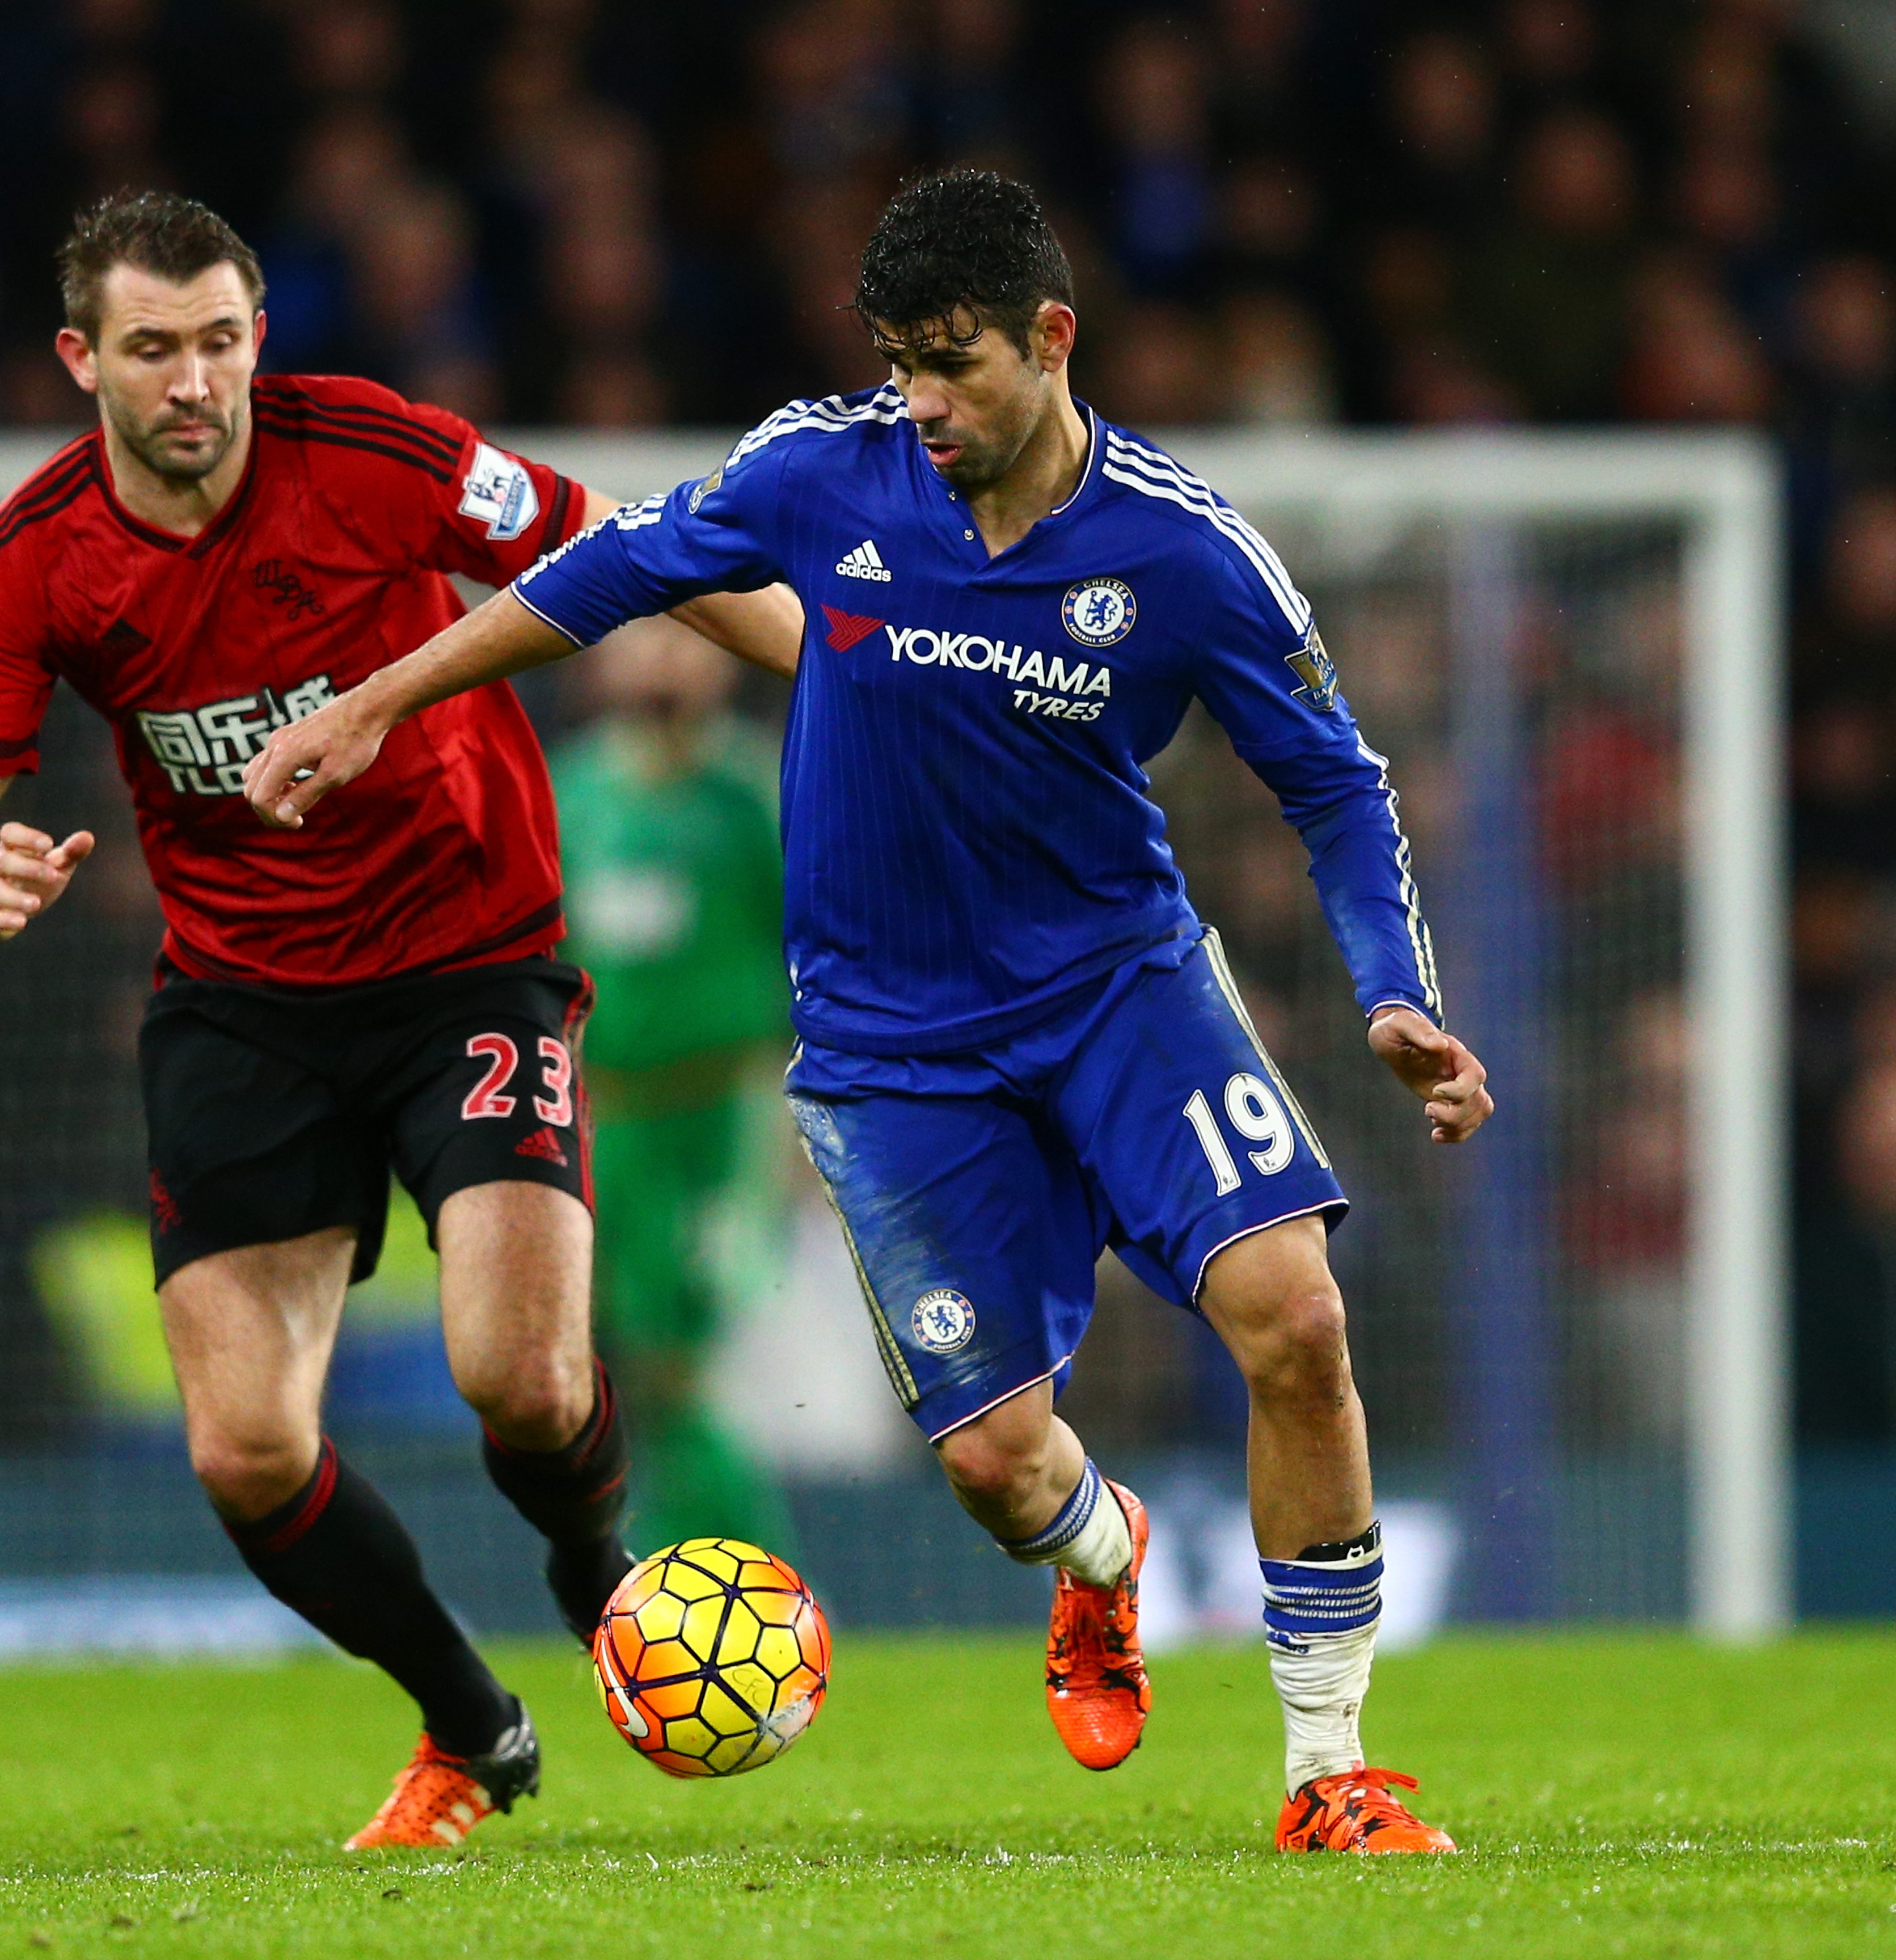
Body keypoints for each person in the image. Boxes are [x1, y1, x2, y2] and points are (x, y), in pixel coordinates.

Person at [251, 170, 1493, 1855]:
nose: (920, 401)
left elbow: (1337, 790)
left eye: (953, 362)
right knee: (995, 1466)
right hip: (892, 1047)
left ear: (1053, 340)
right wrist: (383, 701)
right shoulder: (820, 470)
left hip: (1120, 986)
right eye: (899, 360)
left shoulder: (1187, 552)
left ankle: (1327, 1770)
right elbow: (609, 571)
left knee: (1297, 1317)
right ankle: (1103, 1555)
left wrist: (1395, 999)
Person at [0, 190, 800, 1849]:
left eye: (222, 339)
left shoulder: (376, 454)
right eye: (153, 348)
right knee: (241, 1452)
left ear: (256, 339)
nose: (195, 382)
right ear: (82, 359)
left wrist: (851, 673)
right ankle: (469, 1726)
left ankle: (600, 1585)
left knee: (518, 1377)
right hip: (245, 1006)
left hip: (472, 961)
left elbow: (643, 551)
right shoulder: (32, 560)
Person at [551, 619, 795, 1551]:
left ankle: (730, 1568)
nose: (662, 658)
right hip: (608, 1115)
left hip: (726, 1113)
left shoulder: (756, 792)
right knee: (645, 1363)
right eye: (641, 638)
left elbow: (814, 955)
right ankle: (708, 1568)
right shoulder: (567, 795)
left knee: (689, 1358)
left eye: (685, 637)